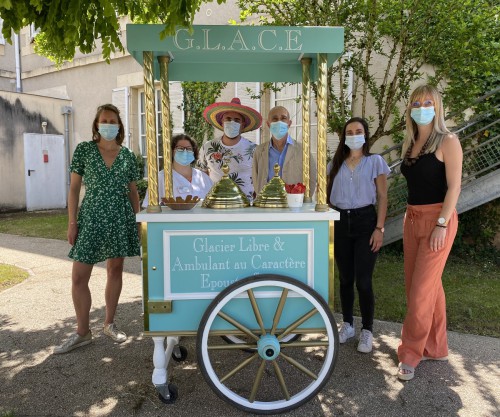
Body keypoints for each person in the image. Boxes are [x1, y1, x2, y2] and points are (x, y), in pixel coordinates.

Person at [54, 104, 141, 354]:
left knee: (115, 270)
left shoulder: (127, 155)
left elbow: (133, 191)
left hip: (120, 218)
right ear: (96, 124)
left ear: (119, 125)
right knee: (79, 276)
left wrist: (136, 223)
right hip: (91, 218)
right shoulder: (84, 150)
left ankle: (109, 323)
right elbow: (73, 189)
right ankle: (82, 332)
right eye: (104, 120)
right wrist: (72, 222)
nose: (109, 125)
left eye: (113, 121)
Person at [397, 85, 462, 380]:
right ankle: (436, 346)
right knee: (426, 286)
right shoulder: (410, 143)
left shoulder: (447, 140)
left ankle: (410, 353)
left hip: (438, 220)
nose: (422, 106)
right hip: (412, 219)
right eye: (416, 102)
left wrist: (442, 224)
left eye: (428, 102)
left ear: (437, 107)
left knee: (421, 292)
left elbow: (455, 187)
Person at [327, 117, 390, 354]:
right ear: (344, 136)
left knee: (363, 280)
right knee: (345, 279)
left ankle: (367, 329)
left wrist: (379, 228)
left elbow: (383, 196)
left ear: (366, 134)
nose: (354, 135)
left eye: (359, 131)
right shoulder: (335, 164)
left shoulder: (375, 162)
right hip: (341, 222)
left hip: (366, 223)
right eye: (350, 131)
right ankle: (348, 325)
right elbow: (326, 196)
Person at [198, 97, 262, 199]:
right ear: (222, 122)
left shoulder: (254, 149)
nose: (232, 122)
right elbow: (202, 176)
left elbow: (259, 180)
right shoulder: (207, 147)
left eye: (237, 120)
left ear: (243, 124)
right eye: (228, 119)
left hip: (245, 205)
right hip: (215, 205)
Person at [253, 105, 316, 195]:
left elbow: (312, 178)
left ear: (289, 124)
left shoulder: (302, 150)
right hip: (268, 204)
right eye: (275, 119)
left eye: (283, 118)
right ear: (268, 124)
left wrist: (303, 202)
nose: (279, 122)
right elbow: (256, 179)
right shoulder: (259, 151)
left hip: (294, 205)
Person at [142, 134, 213, 207]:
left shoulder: (203, 178)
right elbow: (148, 207)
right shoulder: (160, 178)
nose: (185, 152)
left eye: (189, 148)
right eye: (180, 148)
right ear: (172, 152)